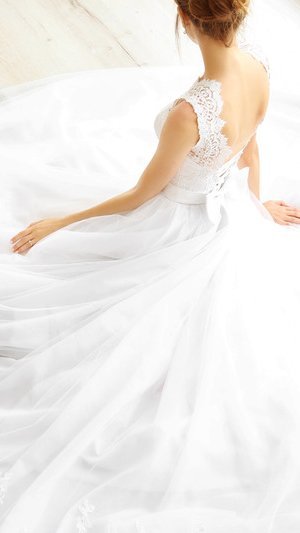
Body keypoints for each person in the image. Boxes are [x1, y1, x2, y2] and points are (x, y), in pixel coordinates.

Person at [1, 0, 300, 532]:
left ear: (185, 20)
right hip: (227, 214)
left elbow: (141, 195)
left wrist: (61, 222)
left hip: (177, 224)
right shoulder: (258, 65)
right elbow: (250, 147)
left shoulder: (193, 111)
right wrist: (254, 206)